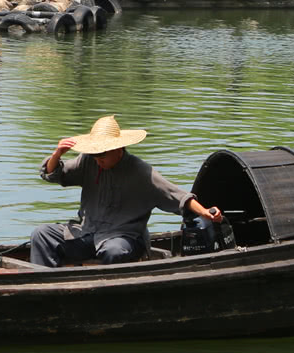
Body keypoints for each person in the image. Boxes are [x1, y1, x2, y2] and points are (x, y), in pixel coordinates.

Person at [30, 114, 223, 267]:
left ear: (118, 149)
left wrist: (206, 213)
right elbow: (54, 173)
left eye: (102, 155)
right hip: (87, 233)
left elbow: (178, 196)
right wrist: (57, 154)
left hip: (124, 238)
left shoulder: (141, 172)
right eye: (95, 155)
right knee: (42, 234)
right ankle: (43, 285)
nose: (98, 160)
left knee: (113, 251)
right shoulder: (88, 162)